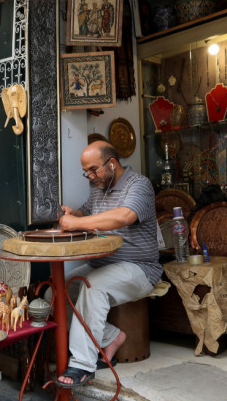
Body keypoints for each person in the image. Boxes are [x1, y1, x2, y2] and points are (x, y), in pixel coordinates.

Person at [56, 141, 162, 387]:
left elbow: (125, 215)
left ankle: (82, 365)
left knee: (92, 286)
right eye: (87, 172)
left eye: (93, 170)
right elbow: (86, 211)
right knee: (58, 291)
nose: (90, 176)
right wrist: (73, 215)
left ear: (112, 164)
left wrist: (77, 224)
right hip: (102, 266)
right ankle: (112, 337)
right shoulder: (99, 187)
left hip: (139, 269)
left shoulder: (139, 185)